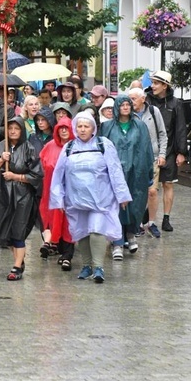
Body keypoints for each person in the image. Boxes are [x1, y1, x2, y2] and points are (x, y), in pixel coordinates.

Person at [49, 112, 132, 284]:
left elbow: (115, 171)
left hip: (101, 199)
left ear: (93, 128)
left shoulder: (104, 145)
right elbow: (58, 175)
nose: (83, 129)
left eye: (86, 126)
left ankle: (98, 267)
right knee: (81, 232)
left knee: (96, 230)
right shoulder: (69, 147)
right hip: (76, 199)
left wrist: (122, 195)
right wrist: (58, 198)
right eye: (79, 126)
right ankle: (86, 266)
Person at [100, 96, 154, 260]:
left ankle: (130, 234)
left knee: (135, 203)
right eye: (121, 105)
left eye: (127, 105)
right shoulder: (107, 127)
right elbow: (101, 150)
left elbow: (146, 149)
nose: (125, 107)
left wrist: (149, 172)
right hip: (114, 173)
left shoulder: (140, 126)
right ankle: (117, 241)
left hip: (136, 172)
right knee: (115, 206)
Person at [0, 116, 43, 281]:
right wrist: (1, 160)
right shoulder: (0, 147)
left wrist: (15, 176)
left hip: (22, 196)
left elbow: (36, 175)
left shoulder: (29, 149)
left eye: (16, 128)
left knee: (18, 231)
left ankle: (16, 266)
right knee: (5, 231)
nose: (13, 131)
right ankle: (19, 261)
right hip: (2, 195)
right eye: (10, 128)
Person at [145, 70, 187, 232]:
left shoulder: (175, 103)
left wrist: (181, 151)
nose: (153, 86)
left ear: (165, 86)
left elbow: (180, 128)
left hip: (169, 149)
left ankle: (166, 218)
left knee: (168, 184)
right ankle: (148, 216)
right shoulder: (147, 100)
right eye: (152, 82)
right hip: (150, 150)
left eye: (156, 83)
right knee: (150, 188)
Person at [129, 87, 167, 238]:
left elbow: (162, 134)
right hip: (134, 159)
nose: (130, 102)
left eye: (133, 99)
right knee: (137, 192)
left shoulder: (153, 112)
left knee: (152, 191)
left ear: (142, 99)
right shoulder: (128, 115)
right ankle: (137, 223)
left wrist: (162, 154)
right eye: (129, 99)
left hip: (152, 157)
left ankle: (151, 222)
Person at [38, 117, 75, 270]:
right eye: (61, 128)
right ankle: (57, 248)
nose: (64, 131)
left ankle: (67, 255)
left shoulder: (77, 147)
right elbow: (41, 166)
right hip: (50, 192)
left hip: (71, 192)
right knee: (52, 220)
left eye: (67, 128)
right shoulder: (49, 146)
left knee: (69, 223)